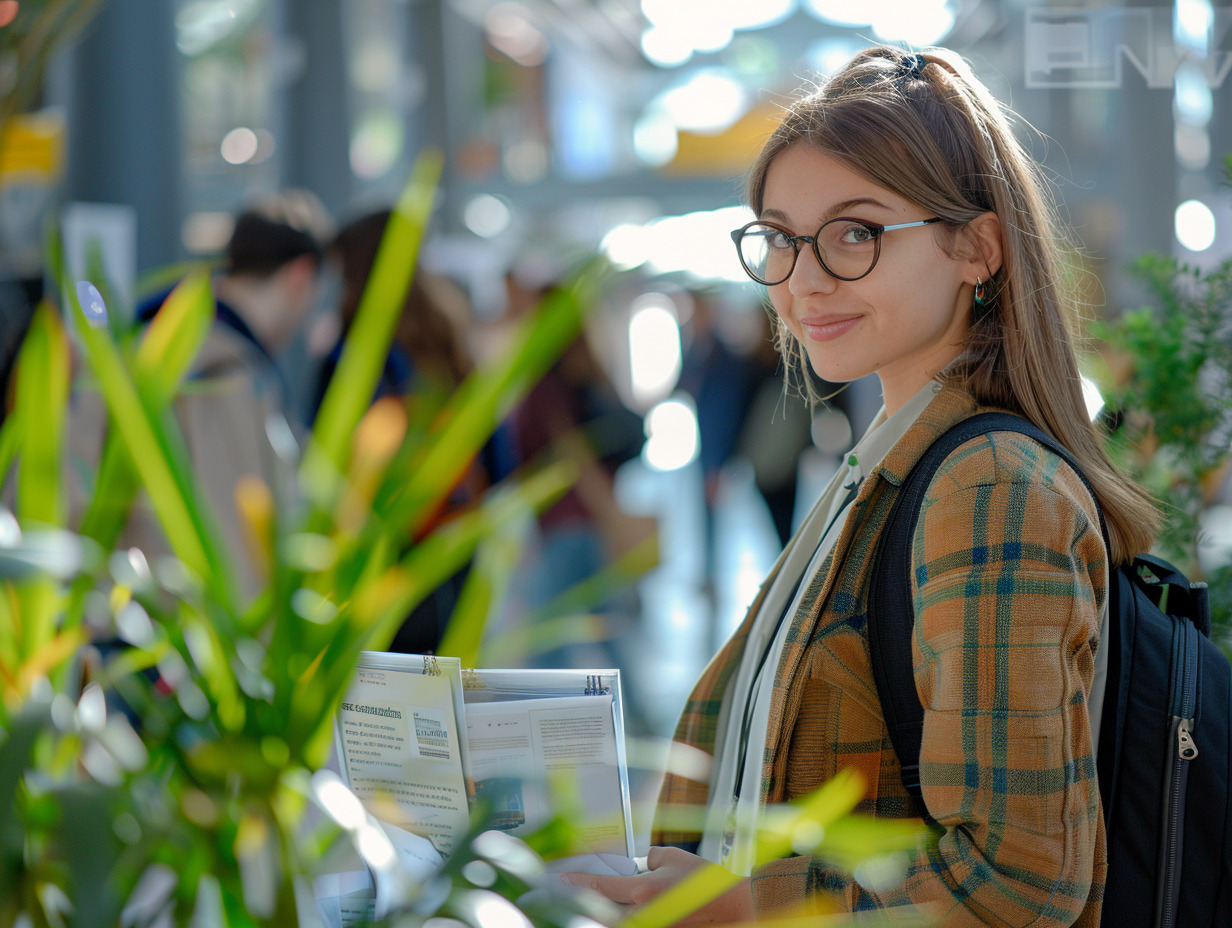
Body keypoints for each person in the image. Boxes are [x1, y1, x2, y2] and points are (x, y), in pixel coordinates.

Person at [564, 45, 1161, 926]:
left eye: (856, 233)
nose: (804, 280)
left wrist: (734, 908)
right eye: (779, 238)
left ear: (977, 248)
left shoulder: (987, 483)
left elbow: (1017, 879)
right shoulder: (892, 462)